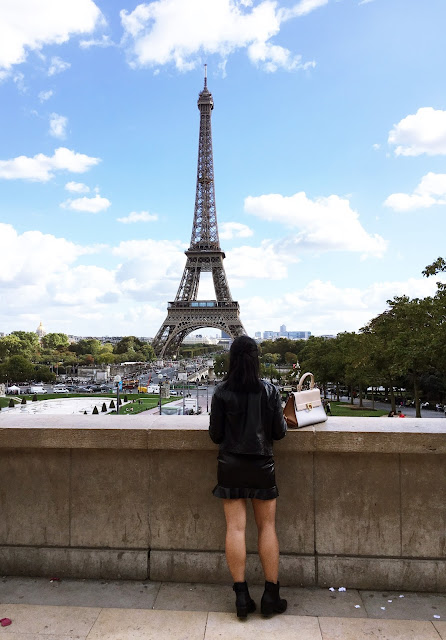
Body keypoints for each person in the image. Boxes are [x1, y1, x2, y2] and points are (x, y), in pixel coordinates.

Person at [209, 336, 287, 619]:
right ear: (256, 359)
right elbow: (278, 433)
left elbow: (216, 435)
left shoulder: (220, 392)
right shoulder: (269, 391)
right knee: (267, 527)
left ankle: (241, 596)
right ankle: (271, 594)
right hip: (261, 465)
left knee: (235, 529)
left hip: (230, 465)